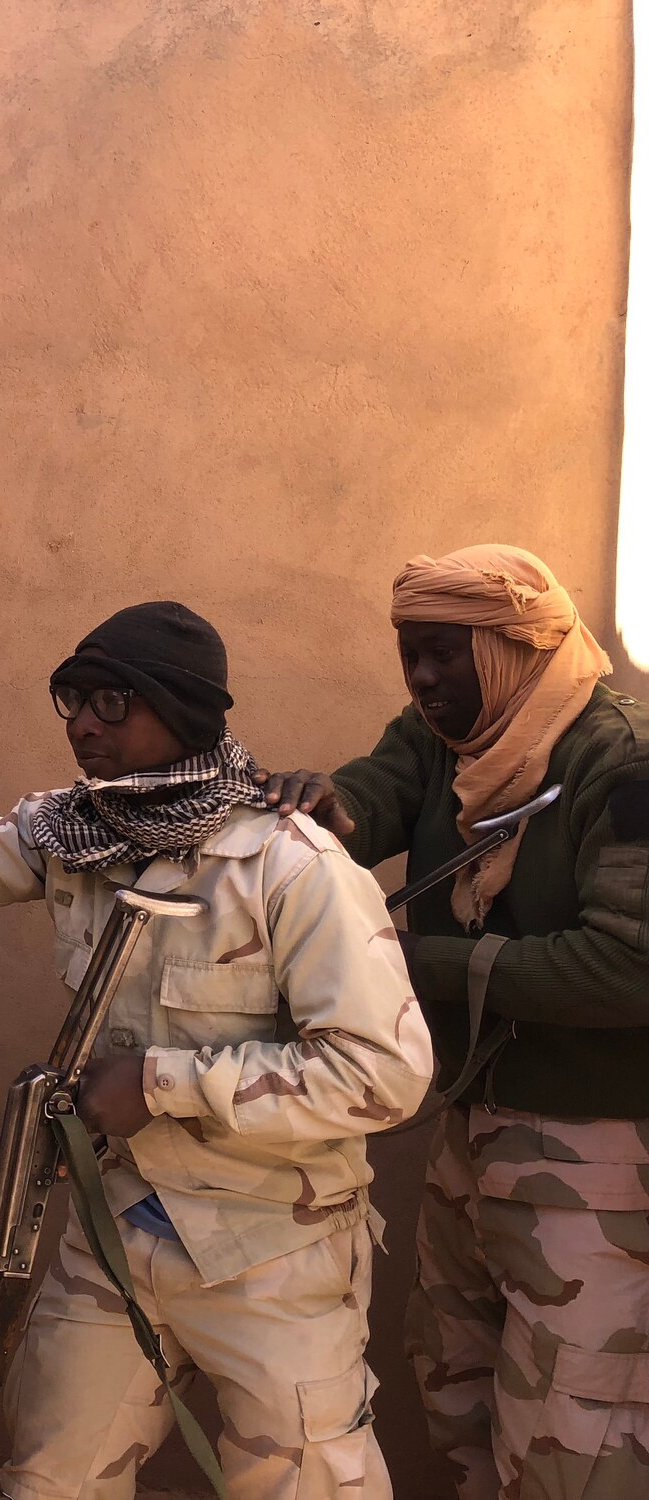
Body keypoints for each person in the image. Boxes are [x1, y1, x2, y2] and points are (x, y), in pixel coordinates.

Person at [0, 601, 433, 1500]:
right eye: (72, 700)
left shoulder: (291, 867)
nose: (84, 726)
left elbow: (385, 1074)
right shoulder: (78, 831)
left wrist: (161, 1083)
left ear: (180, 714)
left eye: (112, 703)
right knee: (49, 1479)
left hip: (272, 1253)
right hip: (116, 1232)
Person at [258, 544, 649, 1500]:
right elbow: (378, 794)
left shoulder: (622, 763)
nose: (423, 680)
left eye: (444, 655)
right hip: (474, 1126)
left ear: (516, 649)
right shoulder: (449, 739)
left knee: (576, 1445)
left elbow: (630, 966)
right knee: (457, 1391)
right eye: (410, 657)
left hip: (596, 1155)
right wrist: (321, 810)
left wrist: (410, 967)